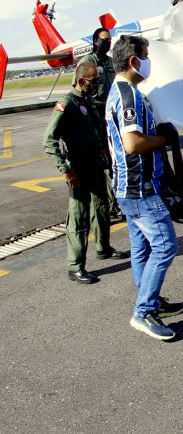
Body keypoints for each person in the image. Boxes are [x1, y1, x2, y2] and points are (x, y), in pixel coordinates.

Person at [107, 35, 183, 341]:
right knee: (166, 246)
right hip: (139, 188)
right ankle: (144, 311)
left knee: (141, 247)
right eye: (146, 56)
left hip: (127, 187)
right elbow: (132, 143)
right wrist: (164, 139)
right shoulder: (129, 96)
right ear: (133, 61)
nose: (149, 62)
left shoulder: (120, 91)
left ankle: (149, 299)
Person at [42, 62, 126, 285]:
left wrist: (102, 150)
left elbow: (95, 130)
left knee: (101, 209)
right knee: (78, 218)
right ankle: (75, 266)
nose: (97, 85)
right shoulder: (66, 104)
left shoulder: (86, 103)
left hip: (95, 165)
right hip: (77, 169)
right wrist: (65, 170)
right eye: (93, 82)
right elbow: (49, 141)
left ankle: (103, 248)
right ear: (81, 82)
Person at [78, 27, 123, 222]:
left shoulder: (110, 62)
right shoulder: (87, 63)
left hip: (110, 118)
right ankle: (108, 207)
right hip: (95, 119)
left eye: (110, 39)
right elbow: (80, 90)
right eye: (105, 40)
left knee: (114, 161)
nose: (108, 43)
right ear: (96, 41)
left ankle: (115, 204)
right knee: (103, 165)